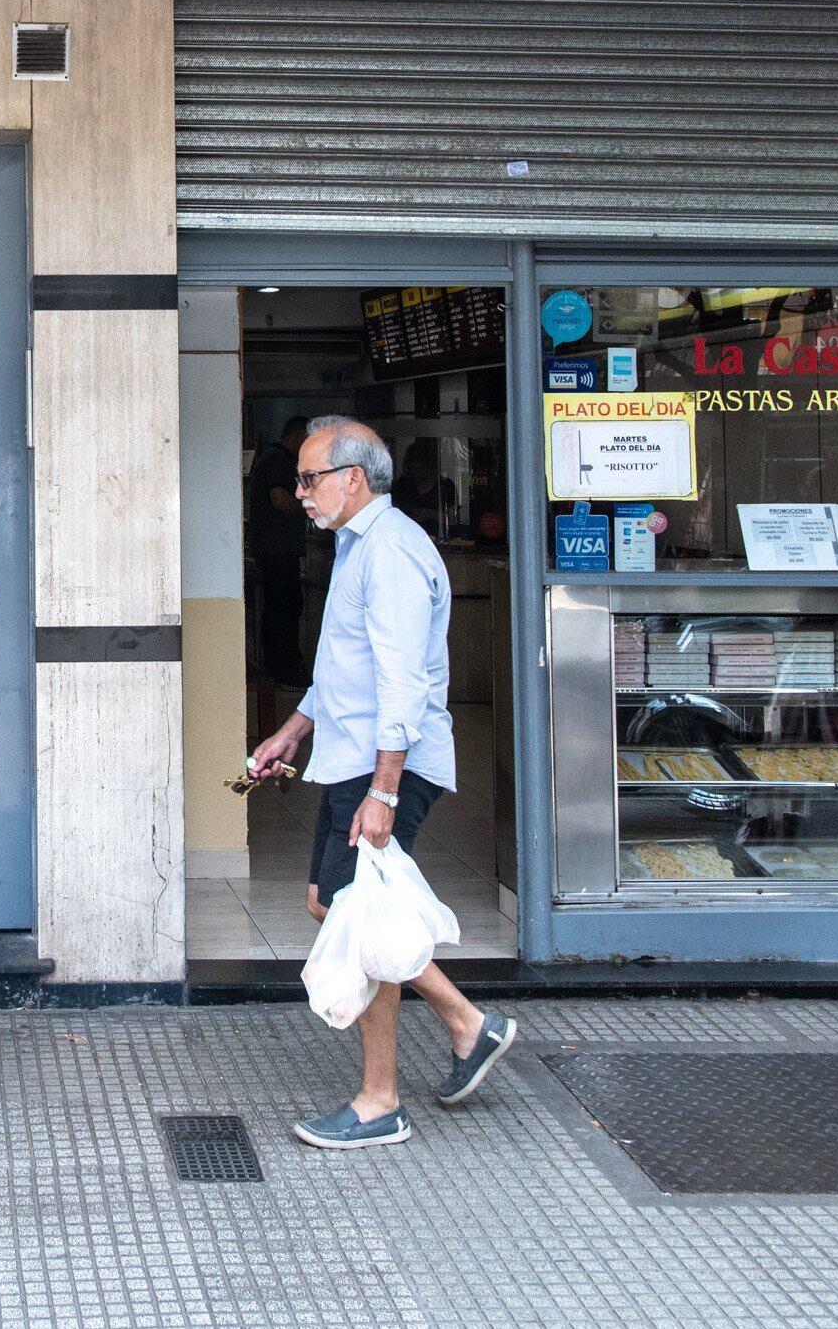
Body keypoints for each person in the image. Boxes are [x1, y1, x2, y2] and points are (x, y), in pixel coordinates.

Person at [246, 414, 513, 1149]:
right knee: (335, 903)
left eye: (310, 478)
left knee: (351, 912)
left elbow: (401, 682)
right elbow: (347, 669)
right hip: (358, 755)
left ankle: (382, 1098)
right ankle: (465, 1024)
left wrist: (384, 791)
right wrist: (293, 730)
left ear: (354, 479)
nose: (299, 492)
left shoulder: (390, 553)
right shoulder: (357, 547)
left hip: (383, 763)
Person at [247, 416, 312, 688]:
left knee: (282, 606)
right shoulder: (277, 460)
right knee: (284, 607)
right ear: (297, 436)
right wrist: (309, 510)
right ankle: (283, 666)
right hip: (277, 549)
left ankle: (282, 664)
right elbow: (279, 498)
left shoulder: (273, 458)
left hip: (276, 548)